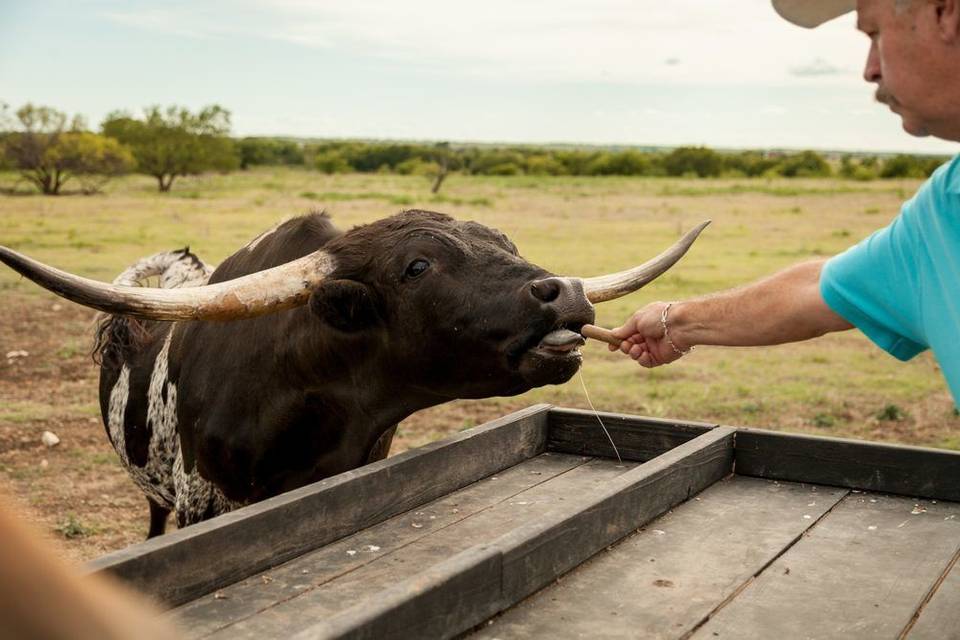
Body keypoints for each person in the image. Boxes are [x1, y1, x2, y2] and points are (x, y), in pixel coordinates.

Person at [609, 0, 960, 404]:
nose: (870, 69)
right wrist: (675, 323)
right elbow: (817, 290)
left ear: (943, 11)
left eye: (875, 34)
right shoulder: (944, 208)